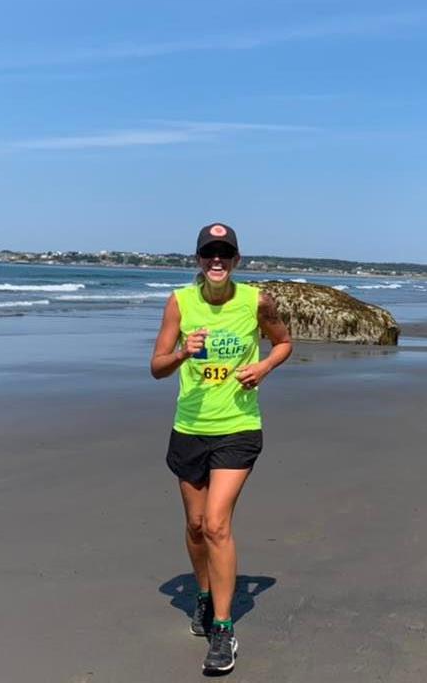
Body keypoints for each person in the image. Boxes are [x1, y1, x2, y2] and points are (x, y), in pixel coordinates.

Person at [151, 222, 293, 674]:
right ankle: (205, 596)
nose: (217, 260)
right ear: (198, 259)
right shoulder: (180, 302)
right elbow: (156, 366)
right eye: (209, 253)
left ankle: (224, 628)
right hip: (189, 428)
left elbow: (284, 342)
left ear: (236, 260)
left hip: (238, 427)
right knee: (194, 525)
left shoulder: (256, 301)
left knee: (215, 524)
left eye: (225, 253)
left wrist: (264, 367)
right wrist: (181, 354)